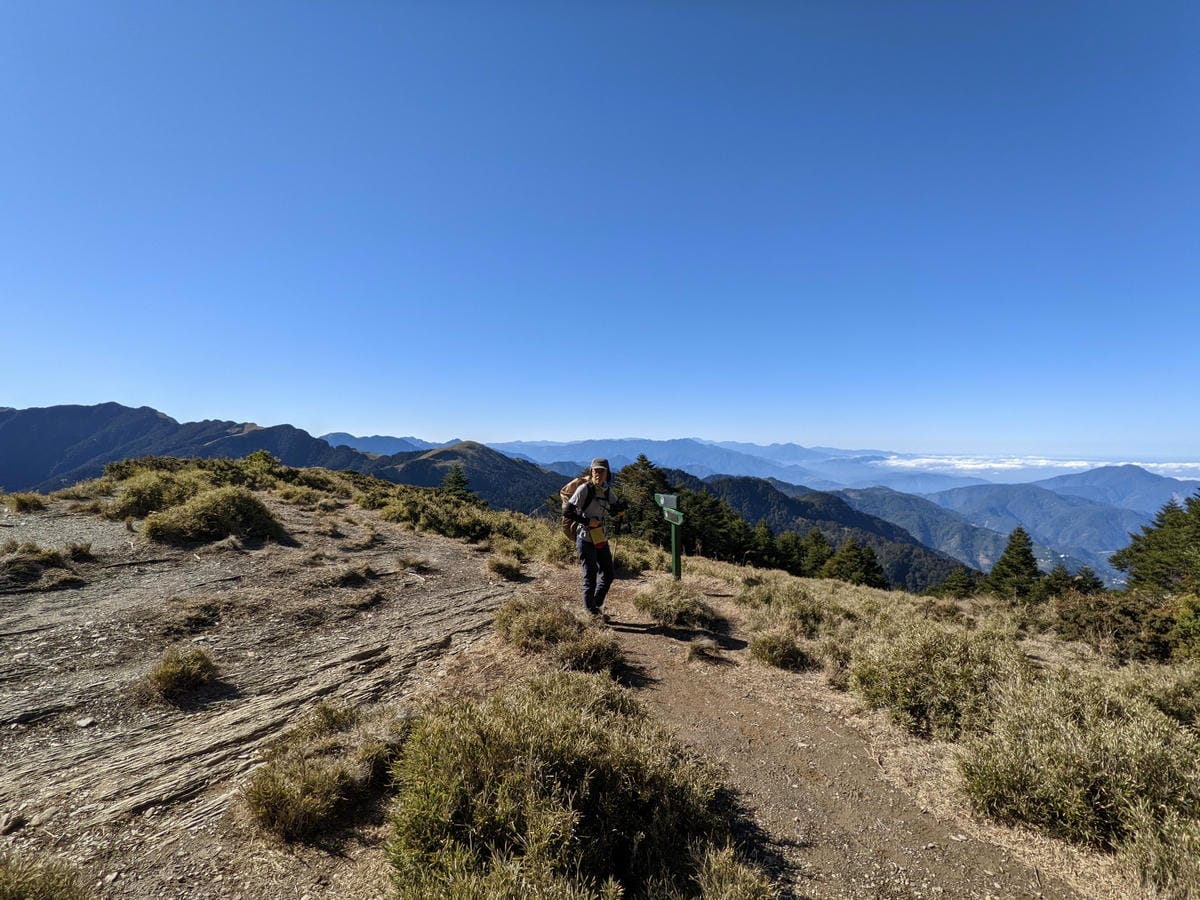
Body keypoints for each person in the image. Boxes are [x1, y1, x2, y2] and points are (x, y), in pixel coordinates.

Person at [564, 458, 624, 617]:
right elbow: (567, 512)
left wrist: (620, 509)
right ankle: (591, 613)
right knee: (590, 576)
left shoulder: (606, 490)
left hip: (600, 537)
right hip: (584, 538)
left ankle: (595, 605)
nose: (598, 473)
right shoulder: (584, 489)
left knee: (608, 574)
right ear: (591, 472)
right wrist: (587, 521)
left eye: (601, 471)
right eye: (595, 470)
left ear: (607, 474)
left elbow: (614, 507)